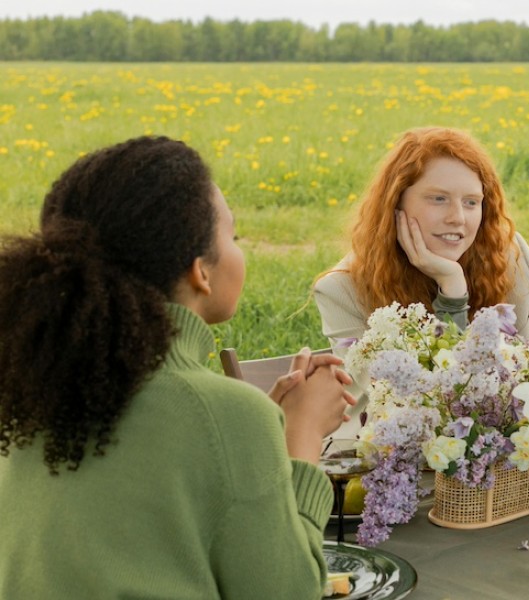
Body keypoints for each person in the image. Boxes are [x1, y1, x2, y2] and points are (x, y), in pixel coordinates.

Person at [0, 136, 356, 598]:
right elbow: (286, 590)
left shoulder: (33, 392)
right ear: (200, 272)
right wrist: (301, 439)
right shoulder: (228, 416)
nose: (238, 248)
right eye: (233, 237)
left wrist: (262, 435)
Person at [314, 126, 529, 350]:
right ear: (395, 204)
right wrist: (452, 291)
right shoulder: (341, 290)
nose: (457, 217)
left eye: (471, 202)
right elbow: (402, 413)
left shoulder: (506, 255)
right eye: (439, 199)